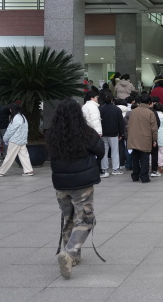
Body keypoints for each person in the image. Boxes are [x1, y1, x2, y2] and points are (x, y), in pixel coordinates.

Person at [45, 98, 105, 279]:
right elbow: (100, 150)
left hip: (61, 184)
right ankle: (70, 253)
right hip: (82, 183)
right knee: (85, 219)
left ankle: (73, 257)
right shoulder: (86, 133)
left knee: (69, 218)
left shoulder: (52, 134)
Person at [0, 103, 34, 177]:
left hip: (15, 140)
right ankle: (29, 170)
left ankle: (1, 171)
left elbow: (11, 130)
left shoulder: (16, 118)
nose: (10, 110)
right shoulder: (22, 116)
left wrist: (5, 138)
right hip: (22, 140)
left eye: (10, 109)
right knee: (24, 156)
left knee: (9, 156)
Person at [127, 94, 158, 183]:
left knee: (135, 157)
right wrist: (154, 140)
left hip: (133, 138)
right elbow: (154, 129)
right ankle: (144, 177)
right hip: (145, 138)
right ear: (149, 102)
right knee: (145, 158)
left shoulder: (133, 111)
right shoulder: (150, 113)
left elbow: (128, 126)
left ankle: (135, 175)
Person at [98, 92, 125, 177]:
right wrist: (121, 133)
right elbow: (121, 123)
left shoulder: (100, 109)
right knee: (115, 152)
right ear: (113, 100)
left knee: (104, 152)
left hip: (103, 133)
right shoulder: (117, 109)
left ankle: (104, 169)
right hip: (114, 133)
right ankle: (115, 169)